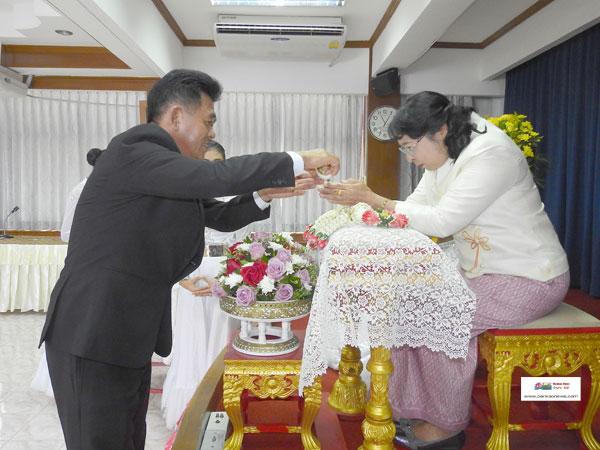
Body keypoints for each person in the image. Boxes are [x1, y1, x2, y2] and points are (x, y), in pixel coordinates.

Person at [39, 68, 339, 450]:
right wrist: (300, 157)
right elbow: (216, 178)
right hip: (92, 330)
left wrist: (266, 193)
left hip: (125, 333)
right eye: (208, 120)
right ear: (176, 117)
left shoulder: (163, 174)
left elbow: (220, 214)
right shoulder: (136, 150)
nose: (212, 133)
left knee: (128, 438)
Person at [319, 91, 569, 450]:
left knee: (440, 315)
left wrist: (374, 200)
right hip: (484, 273)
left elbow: (444, 220)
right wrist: (373, 209)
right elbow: (417, 206)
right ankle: (414, 410)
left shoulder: (490, 153)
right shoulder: (450, 148)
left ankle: (444, 427)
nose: (411, 159)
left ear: (438, 130)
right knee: (404, 304)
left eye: (410, 148)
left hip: (529, 276)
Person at [31, 147, 104, 397]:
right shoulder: (80, 190)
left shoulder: (110, 190)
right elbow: (66, 233)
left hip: (104, 265)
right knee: (76, 320)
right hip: (84, 261)